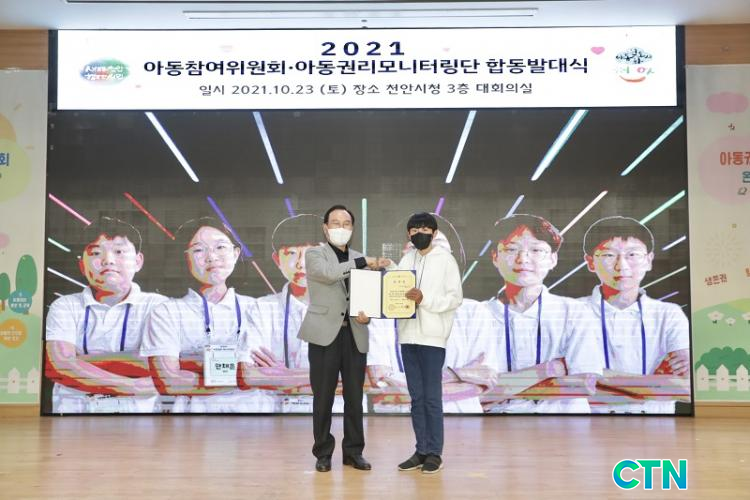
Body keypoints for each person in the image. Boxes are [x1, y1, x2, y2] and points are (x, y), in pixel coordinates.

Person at [449, 214, 601, 414]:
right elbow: (471, 392)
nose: (523, 259)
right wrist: (548, 370)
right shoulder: (475, 315)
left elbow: (585, 384)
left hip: (562, 425)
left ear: (553, 259)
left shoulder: (575, 312)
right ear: (495, 257)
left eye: (536, 250)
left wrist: (502, 389)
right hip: (494, 427)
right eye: (511, 249)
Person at [140, 217, 267, 413]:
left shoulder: (258, 309)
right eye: (199, 250)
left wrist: (191, 363)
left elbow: (274, 372)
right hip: (190, 420)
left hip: (254, 418)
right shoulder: (166, 312)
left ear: (236, 254)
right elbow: (168, 382)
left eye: (220, 247)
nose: (211, 257)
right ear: (185, 259)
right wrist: (246, 373)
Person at [45, 216, 166, 413]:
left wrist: (78, 362)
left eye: (119, 251)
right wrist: (134, 385)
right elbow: (58, 366)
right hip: (74, 418)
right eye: (96, 253)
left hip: (141, 420)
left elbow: (163, 364)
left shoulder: (159, 307)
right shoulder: (65, 306)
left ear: (138, 262)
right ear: (82, 266)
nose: (108, 260)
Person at [297, 205, 381, 473]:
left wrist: (368, 315)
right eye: (335, 223)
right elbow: (329, 274)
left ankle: (353, 452)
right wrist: (362, 263)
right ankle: (323, 453)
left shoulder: (360, 258)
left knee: (354, 398)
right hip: (324, 335)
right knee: (323, 397)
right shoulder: (314, 254)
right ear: (325, 228)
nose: (341, 228)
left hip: (354, 334)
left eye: (346, 224)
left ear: (352, 229)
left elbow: (369, 296)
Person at [580, 216, 690, 414]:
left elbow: (686, 388)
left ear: (649, 260)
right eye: (609, 255)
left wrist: (600, 381)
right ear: (590, 262)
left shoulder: (669, 314)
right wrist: (657, 384)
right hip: (588, 426)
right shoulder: (571, 312)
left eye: (633, 254)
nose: (622, 265)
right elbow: (566, 386)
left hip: (657, 427)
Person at [388, 212, 463, 474]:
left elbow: (454, 298)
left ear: (434, 232)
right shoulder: (406, 259)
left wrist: (425, 299)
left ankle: (434, 453)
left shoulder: (446, 260)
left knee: (431, 398)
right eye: (414, 229)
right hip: (408, 337)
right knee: (417, 398)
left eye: (425, 228)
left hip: (432, 339)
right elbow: (394, 290)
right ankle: (421, 450)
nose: (419, 233)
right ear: (408, 234)